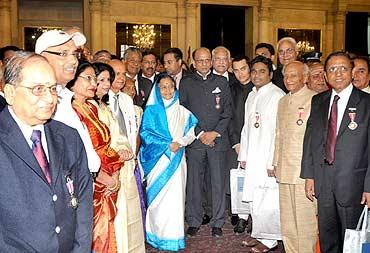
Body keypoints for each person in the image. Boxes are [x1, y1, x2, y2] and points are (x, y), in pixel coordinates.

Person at [0, 51, 93, 252]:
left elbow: (83, 204)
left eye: (52, 89)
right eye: (38, 89)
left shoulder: (69, 137)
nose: (50, 98)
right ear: (10, 93)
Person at [301, 51, 370, 252]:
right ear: (325, 75)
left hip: (354, 184)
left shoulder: (366, 103)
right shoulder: (318, 101)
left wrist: (369, 186)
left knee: (351, 240)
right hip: (323, 181)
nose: (337, 73)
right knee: (328, 237)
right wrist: (309, 176)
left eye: (343, 68)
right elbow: (310, 140)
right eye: (332, 69)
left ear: (352, 72)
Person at [66, 60, 123, 253]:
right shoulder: (68, 112)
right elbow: (80, 154)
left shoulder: (90, 107)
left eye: (94, 78)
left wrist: (114, 173)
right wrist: (104, 177)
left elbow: (105, 144)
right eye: (88, 78)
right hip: (91, 180)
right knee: (93, 233)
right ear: (72, 81)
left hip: (107, 174)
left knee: (106, 229)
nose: (94, 83)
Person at [139, 73, 198, 251]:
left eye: (170, 86)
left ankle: (174, 238)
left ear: (175, 88)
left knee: (176, 199)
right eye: (163, 87)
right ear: (157, 90)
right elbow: (145, 134)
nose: (167, 90)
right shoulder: (151, 111)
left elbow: (191, 132)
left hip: (178, 161)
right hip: (158, 161)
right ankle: (155, 235)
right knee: (158, 201)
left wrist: (180, 142)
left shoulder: (182, 111)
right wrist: (166, 145)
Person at [92, 62, 145, 253]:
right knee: (113, 222)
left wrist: (125, 148)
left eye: (109, 79)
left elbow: (121, 135)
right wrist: (116, 156)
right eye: (103, 79)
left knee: (130, 215)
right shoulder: (87, 108)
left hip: (125, 165)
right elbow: (96, 144)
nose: (108, 83)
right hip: (105, 171)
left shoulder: (106, 104)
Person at [180, 47, 232, 238]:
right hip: (196, 140)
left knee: (217, 182)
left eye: (207, 60)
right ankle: (194, 219)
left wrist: (215, 133)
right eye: (199, 60)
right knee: (194, 183)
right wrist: (201, 133)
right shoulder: (186, 83)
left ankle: (218, 221)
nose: (203, 63)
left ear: (211, 61)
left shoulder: (221, 82)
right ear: (194, 63)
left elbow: (228, 112)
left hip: (217, 141)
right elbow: (183, 112)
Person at [35, 29, 101, 174]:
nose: (73, 61)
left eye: (74, 54)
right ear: (41, 58)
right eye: (63, 54)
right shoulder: (36, 102)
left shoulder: (65, 96)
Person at [238, 55, 285, 252]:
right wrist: (244, 156)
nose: (257, 75)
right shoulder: (251, 95)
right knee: (255, 198)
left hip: (267, 157)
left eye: (262, 71)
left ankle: (270, 240)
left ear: (271, 74)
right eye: (254, 71)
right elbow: (247, 127)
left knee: (268, 198)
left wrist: (272, 161)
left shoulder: (277, 95)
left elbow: (278, 132)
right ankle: (259, 234)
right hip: (253, 155)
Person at [273, 61, 317, 253]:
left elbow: (316, 142)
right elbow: (278, 135)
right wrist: (275, 163)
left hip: (304, 173)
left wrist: (313, 173)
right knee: (288, 222)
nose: (288, 80)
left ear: (305, 78)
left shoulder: (316, 100)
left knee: (305, 223)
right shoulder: (282, 101)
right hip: (284, 170)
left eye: (293, 75)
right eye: (286, 76)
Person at [230, 55, 254, 234]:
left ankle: (259, 219)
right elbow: (229, 118)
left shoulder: (261, 88)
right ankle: (242, 217)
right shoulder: (231, 89)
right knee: (241, 182)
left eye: (243, 68)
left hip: (259, 143)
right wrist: (236, 142)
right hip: (239, 143)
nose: (240, 73)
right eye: (236, 70)